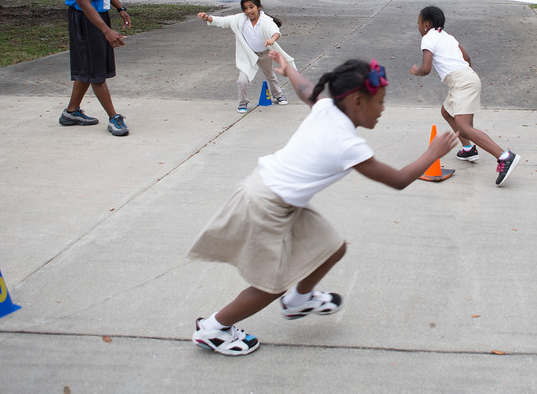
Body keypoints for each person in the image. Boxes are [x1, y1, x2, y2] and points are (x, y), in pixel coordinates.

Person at [189, 56, 457, 356]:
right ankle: (214, 328)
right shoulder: (347, 144)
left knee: (332, 247)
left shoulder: (327, 107)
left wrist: (288, 67)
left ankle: (299, 301)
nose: (383, 109)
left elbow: (305, 89)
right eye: (379, 102)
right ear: (357, 101)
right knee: (272, 284)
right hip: (266, 205)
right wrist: (433, 152)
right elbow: (397, 179)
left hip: (279, 198)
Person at [410, 5, 520, 187]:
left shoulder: (428, 37)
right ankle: (468, 149)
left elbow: (426, 68)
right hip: (465, 78)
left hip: (462, 82)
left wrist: (417, 71)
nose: (419, 27)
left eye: (419, 23)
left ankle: (504, 156)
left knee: (465, 127)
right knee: (447, 112)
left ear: (426, 24)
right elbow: (467, 57)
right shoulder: (447, 37)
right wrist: (465, 76)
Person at [58, 0, 131, 136]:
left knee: (88, 68)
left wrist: (120, 8)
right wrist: (106, 30)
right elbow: (84, 3)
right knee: (96, 70)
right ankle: (114, 117)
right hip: (85, 19)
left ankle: (71, 111)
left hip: (100, 15)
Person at [197, 0, 295, 113]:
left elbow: (275, 31)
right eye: (245, 8)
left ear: (258, 7)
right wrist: (207, 18)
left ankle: (278, 95)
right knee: (242, 80)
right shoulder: (239, 19)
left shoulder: (266, 20)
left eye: (251, 7)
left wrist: (272, 39)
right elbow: (223, 21)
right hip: (249, 55)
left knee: (270, 75)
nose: (249, 11)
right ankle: (243, 102)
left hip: (265, 54)